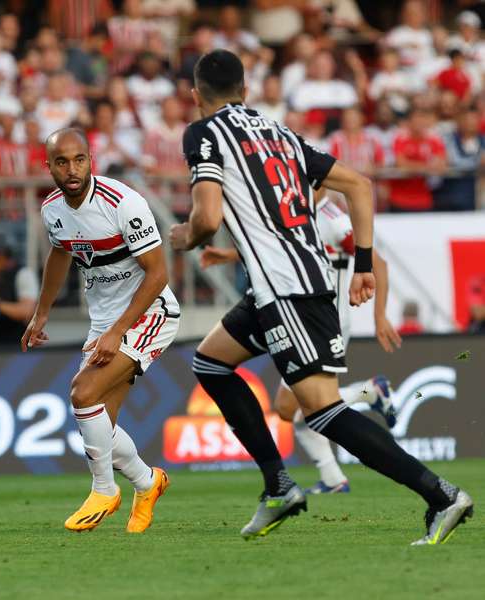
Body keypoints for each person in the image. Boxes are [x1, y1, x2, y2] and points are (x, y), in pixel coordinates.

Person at [169, 49, 472, 545]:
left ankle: (441, 495)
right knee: (210, 363)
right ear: (245, 90)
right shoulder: (281, 135)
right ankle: (280, 486)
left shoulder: (204, 133)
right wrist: (365, 263)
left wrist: (187, 235)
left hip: (288, 289)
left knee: (322, 411)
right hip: (290, 282)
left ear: (195, 95)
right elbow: (359, 184)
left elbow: (205, 218)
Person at [22, 128, 179, 533]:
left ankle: (104, 489)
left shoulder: (124, 203)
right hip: (105, 321)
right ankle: (148, 483)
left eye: (79, 160)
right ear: (49, 166)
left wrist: (117, 332)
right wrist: (41, 314)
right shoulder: (52, 209)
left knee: (82, 392)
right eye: (62, 162)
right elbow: (59, 254)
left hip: (149, 313)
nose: (71, 169)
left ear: (91, 159)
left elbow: (158, 274)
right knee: (100, 427)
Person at [199, 192, 402, 494]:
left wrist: (380, 316)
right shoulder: (294, 212)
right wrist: (229, 256)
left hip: (323, 323)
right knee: (292, 411)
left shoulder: (331, 218)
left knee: (303, 407)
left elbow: (378, 264)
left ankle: (370, 394)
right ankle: (334, 477)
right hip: (298, 318)